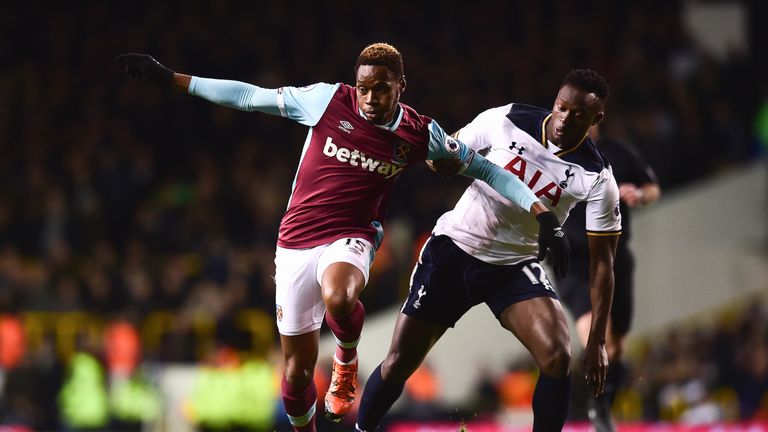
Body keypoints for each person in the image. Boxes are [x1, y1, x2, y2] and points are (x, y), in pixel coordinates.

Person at [116, 43, 569, 431]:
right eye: (364, 87)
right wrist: (172, 77)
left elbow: (486, 167)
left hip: (353, 235)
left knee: (338, 296)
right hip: (295, 240)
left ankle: (346, 362)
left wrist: (541, 211)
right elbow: (249, 97)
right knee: (294, 375)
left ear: (400, 86)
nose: (369, 98)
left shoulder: (419, 133)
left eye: (381, 88)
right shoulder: (327, 101)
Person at [355, 69, 621, 432]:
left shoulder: (597, 176)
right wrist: (444, 162)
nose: (564, 119)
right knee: (400, 362)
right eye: (561, 108)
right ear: (555, 101)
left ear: (596, 119)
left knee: (558, 356)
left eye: (578, 115)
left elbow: (603, 265)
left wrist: (598, 342)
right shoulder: (508, 118)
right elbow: (445, 152)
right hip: (454, 251)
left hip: (513, 266)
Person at [557, 124, 660, 432]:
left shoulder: (619, 152)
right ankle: (592, 411)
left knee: (615, 348)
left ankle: (600, 407)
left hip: (615, 261)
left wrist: (640, 194)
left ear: (597, 117)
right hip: (574, 263)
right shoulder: (555, 155)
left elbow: (653, 187)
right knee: (597, 338)